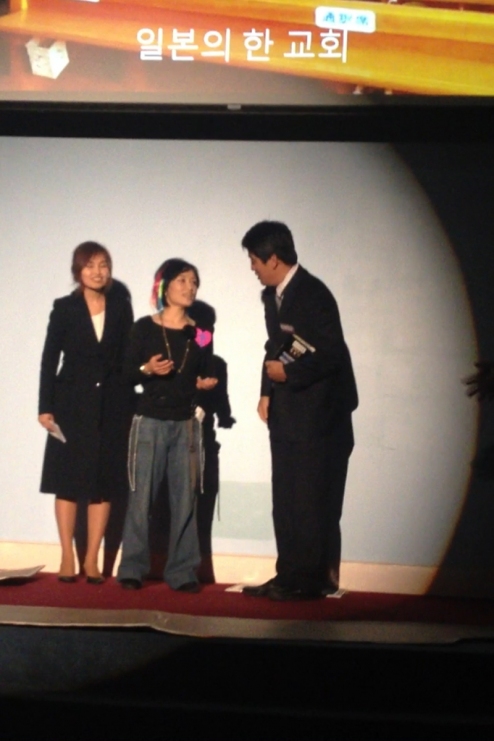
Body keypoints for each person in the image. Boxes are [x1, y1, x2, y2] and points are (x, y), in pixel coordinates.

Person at [241, 221, 358, 601]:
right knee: (286, 498)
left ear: (273, 259)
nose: (252, 267)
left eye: (254, 260)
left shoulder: (313, 294)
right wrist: (266, 391)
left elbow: (331, 354)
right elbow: (275, 346)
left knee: (310, 499)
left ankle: (310, 580)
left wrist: (289, 374)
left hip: (319, 415)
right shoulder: (272, 296)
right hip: (287, 411)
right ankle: (287, 574)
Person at [117, 259, 217, 593]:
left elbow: (205, 370)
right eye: (183, 281)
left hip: (186, 424)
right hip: (149, 422)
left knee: (185, 500)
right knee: (140, 498)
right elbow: (126, 374)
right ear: (165, 285)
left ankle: (183, 572)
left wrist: (205, 383)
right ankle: (132, 568)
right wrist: (147, 368)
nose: (190, 288)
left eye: (194, 282)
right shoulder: (144, 327)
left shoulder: (201, 333)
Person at [38, 241, 134, 584]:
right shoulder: (64, 308)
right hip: (70, 405)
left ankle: (92, 559)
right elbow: (50, 359)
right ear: (77, 271)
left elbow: (127, 358)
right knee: (66, 483)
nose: (98, 271)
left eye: (103, 264)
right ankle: (67, 556)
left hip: (111, 406)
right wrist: (45, 407)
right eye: (90, 265)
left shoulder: (121, 307)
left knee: (102, 484)